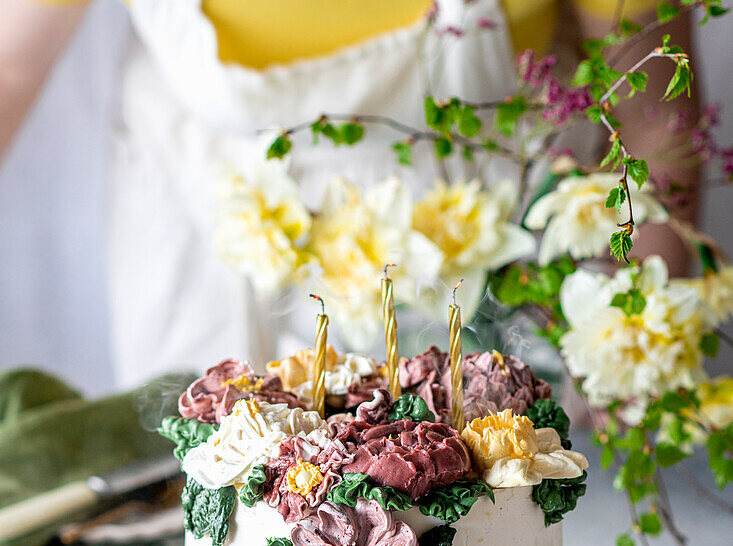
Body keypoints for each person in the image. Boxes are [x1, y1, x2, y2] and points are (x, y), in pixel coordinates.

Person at [0, 0, 699, 385]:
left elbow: (650, 121)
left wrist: (633, 359)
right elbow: (11, 65)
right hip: (205, 285)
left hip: (478, 313)